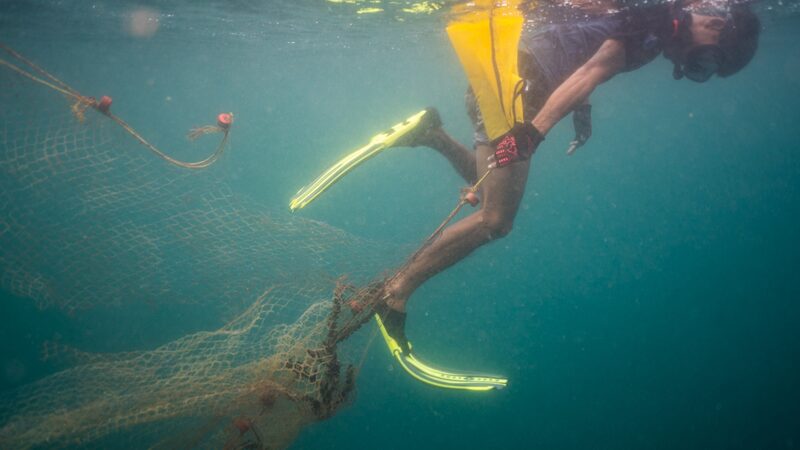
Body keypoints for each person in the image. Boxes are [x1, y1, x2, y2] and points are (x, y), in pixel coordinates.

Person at [376, 0, 761, 350]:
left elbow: (582, 50)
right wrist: (532, 133)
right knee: (496, 219)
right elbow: (594, 69)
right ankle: (397, 290)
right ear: (713, 24)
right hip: (517, 94)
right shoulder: (659, 24)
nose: (685, 69)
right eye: (705, 64)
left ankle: (432, 135)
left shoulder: (656, 19)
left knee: (493, 188)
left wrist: (581, 109)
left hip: (508, 82)